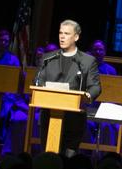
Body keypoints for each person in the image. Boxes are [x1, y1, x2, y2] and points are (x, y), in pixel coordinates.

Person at [33, 20, 101, 157]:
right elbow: (38, 81)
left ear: (76, 37)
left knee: (68, 159)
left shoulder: (87, 61)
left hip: (74, 119)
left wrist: (87, 96)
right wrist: (39, 85)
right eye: (60, 33)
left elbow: (95, 86)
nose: (62, 37)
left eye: (67, 33)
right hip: (48, 117)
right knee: (48, 156)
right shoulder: (48, 58)